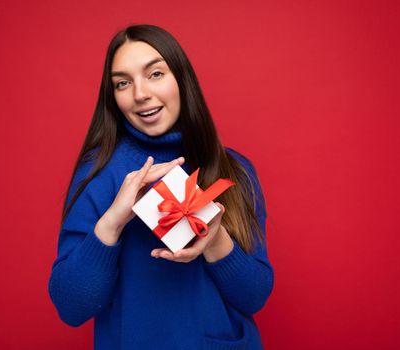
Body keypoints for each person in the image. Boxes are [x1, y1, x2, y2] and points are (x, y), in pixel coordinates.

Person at [48, 24, 274, 350]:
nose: (140, 93)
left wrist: (216, 240)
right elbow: (71, 307)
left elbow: (254, 297)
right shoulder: (99, 173)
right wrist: (112, 222)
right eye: (123, 83)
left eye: (154, 74)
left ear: (182, 79)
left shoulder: (235, 171)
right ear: (113, 97)